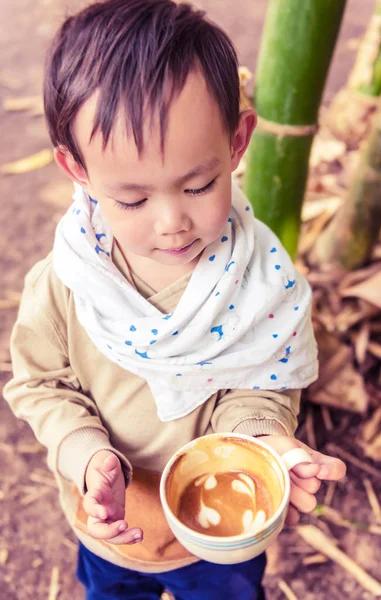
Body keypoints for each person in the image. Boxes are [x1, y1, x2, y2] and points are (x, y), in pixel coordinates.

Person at [3, 1, 346, 598]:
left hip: (227, 535)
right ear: (76, 168)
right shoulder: (65, 283)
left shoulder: (261, 283)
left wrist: (262, 438)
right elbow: (39, 384)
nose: (171, 223)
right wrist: (87, 456)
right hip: (116, 528)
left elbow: (261, 382)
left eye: (198, 185)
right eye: (132, 200)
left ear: (237, 143)